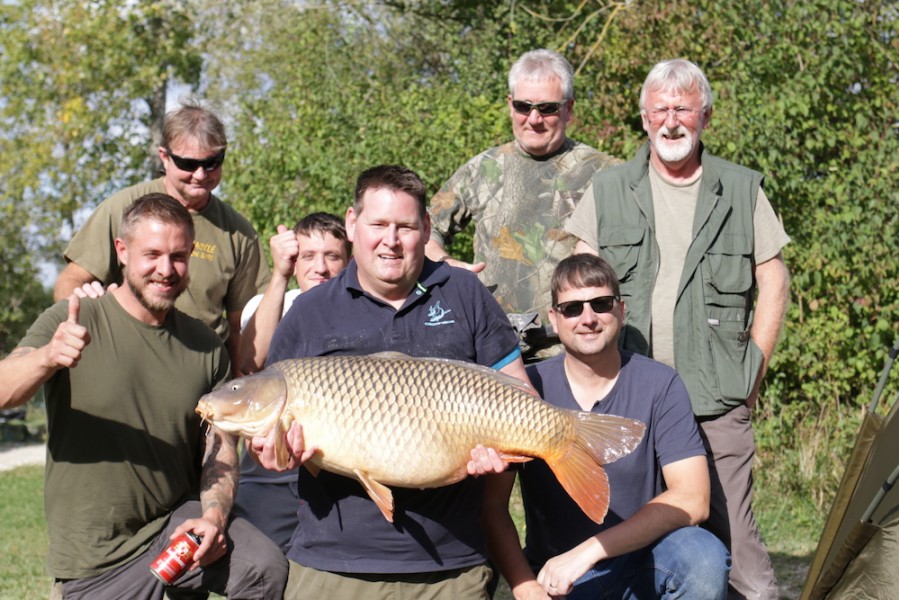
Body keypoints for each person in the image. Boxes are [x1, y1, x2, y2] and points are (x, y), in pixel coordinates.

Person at [248, 165, 532, 600]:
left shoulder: (464, 292)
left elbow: (521, 395)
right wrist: (273, 451)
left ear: (427, 229)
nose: (391, 240)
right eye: (378, 224)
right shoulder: (309, 311)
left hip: (452, 566)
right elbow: (272, 426)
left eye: (405, 226)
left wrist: (504, 452)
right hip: (332, 565)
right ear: (351, 224)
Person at [566, 59, 790, 600]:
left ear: (705, 117)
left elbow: (774, 281)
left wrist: (750, 374)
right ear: (643, 119)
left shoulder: (741, 189)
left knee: (746, 569)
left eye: (683, 109)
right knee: (620, 536)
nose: (671, 122)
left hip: (714, 400)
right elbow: (578, 280)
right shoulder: (609, 188)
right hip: (627, 401)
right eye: (660, 110)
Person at [0, 194, 287, 599]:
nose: (166, 270)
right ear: (121, 250)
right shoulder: (75, 317)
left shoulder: (205, 345)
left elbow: (219, 447)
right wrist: (48, 358)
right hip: (93, 561)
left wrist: (214, 515)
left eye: (179, 256)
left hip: (175, 532)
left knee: (263, 568)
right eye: (151, 254)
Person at [483, 254, 730, 600]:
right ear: (554, 319)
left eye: (600, 304)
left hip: (644, 567)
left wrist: (590, 551)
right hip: (560, 579)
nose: (588, 319)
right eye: (572, 308)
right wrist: (526, 588)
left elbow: (693, 498)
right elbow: (492, 507)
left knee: (703, 557)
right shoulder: (527, 387)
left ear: (621, 309)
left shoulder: (661, 384)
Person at [426, 48, 619, 361]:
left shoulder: (604, 173)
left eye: (547, 108)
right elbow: (421, 228)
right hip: (492, 351)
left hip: (573, 355)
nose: (534, 119)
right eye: (523, 106)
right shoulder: (482, 169)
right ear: (509, 105)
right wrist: (446, 264)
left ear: (569, 109)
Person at [54, 99, 270, 376]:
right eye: (188, 164)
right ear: (164, 157)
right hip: (126, 366)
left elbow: (243, 328)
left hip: (202, 374)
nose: (200, 175)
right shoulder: (124, 209)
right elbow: (70, 282)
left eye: (212, 163)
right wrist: (78, 307)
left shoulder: (239, 232)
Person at [232, 212, 350, 552]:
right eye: (308, 256)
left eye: (332, 256)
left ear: (348, 262)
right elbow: (251, 361)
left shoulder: (361, 309)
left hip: (330, 464)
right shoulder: (270, 302)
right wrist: (279, 275)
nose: (320, 267)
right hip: (269, 472)